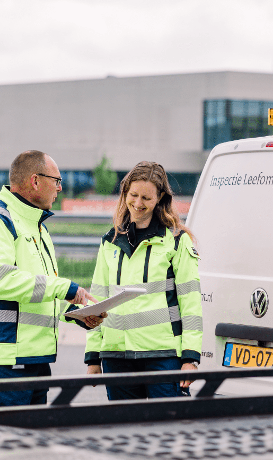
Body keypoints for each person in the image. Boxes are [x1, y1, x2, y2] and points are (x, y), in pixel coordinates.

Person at [0, 150, 104, 408]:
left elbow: (41, 290)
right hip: (6, 364)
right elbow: (1, 280)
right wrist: (65, 288)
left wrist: (77, 313)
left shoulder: (37, 227)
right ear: (35, 181)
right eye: (57, 181)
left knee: (31, 446)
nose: (60, 188)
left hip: (35, 361)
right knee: (4, 444)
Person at [85, 161, 202, 399]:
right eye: (133, 195)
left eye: (146, 198)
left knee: (166, 429)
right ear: (125, 193)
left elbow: (191, 304)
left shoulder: (177, 241)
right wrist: (93, 356)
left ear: (160, 198)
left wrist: (190, 358)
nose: (138, 204)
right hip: (116, 356)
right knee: (125, 430)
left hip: (163, 355)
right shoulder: (110, 242)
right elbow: (97, 300)